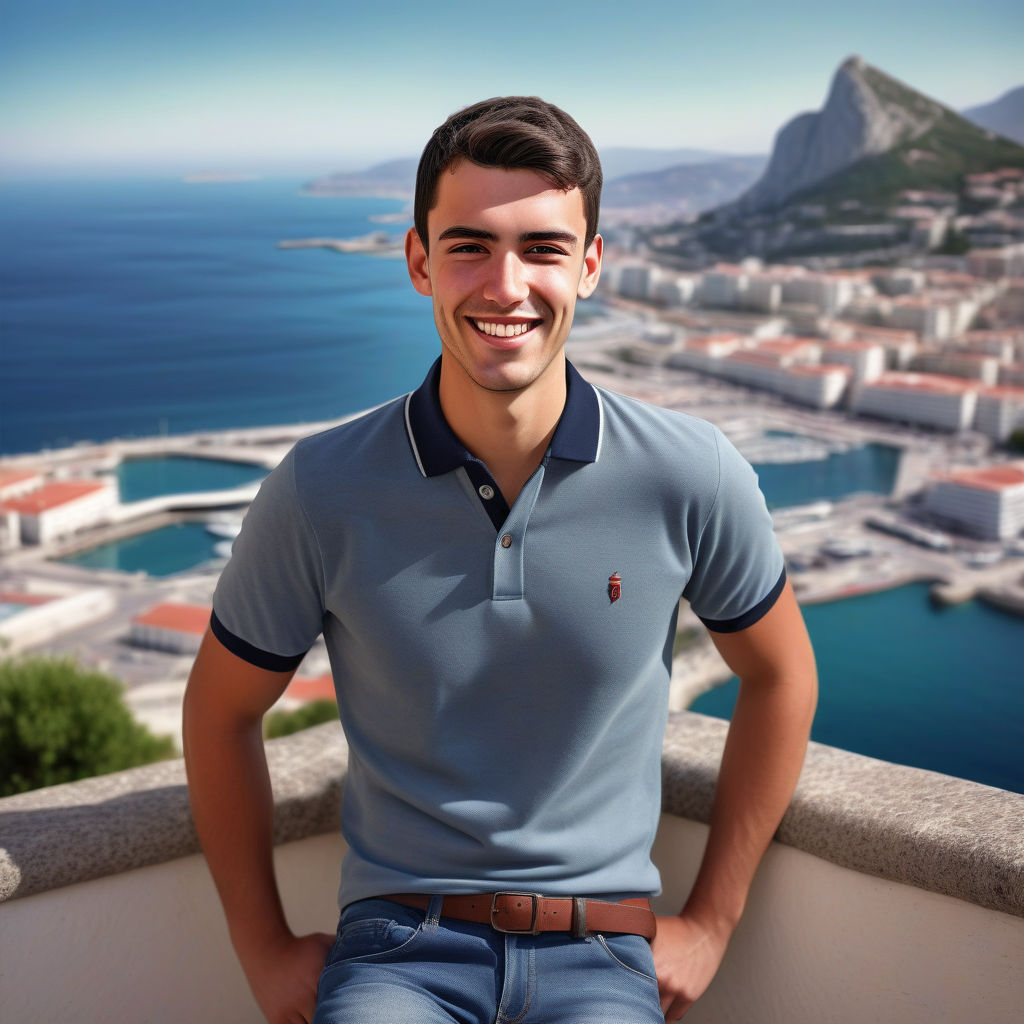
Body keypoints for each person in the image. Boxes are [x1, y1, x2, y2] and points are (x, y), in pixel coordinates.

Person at [183, 95, 817, 1024]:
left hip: (605, 952)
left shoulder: (690, 472)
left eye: (543, 249)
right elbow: (219, 711)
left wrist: (714, 921)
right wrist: (262, 948)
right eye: (470, 247)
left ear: (590, 265)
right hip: (395, 953)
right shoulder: (321, 488)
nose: (505, 285)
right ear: (419, 261)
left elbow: (782, 675)